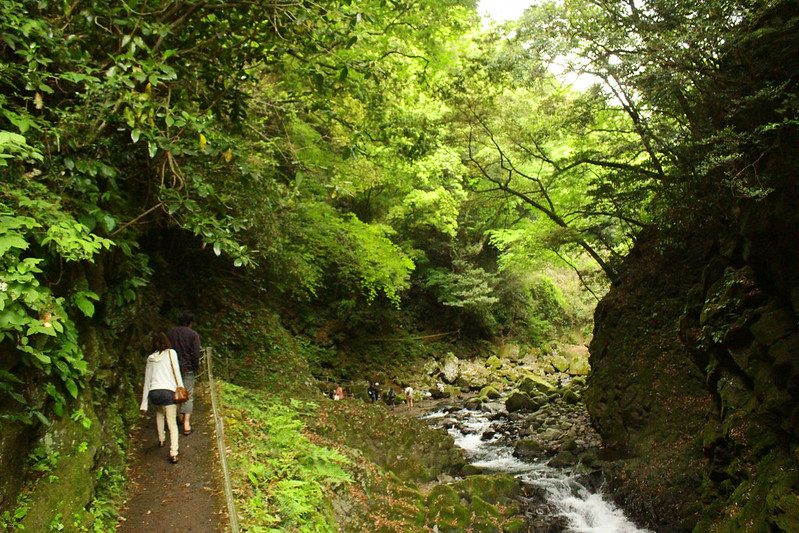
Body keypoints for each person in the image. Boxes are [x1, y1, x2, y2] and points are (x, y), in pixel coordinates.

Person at [140, 332, 184, 463]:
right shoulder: (171, 353)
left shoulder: (150, 358)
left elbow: (147, 381)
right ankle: (174, 452)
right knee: (172, 422)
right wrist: (181, 388)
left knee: (159, 413)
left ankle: (161, 439)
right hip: (168, 391)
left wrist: (144, 403)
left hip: (154, 392)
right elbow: (176, 371)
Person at [167, 311, 201, 435]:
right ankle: (187, 424)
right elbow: (196, 353)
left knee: (175, 392)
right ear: (190, 322)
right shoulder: (193, 335)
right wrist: (195, 366)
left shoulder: (170, 333)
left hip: (172, 368)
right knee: (188, 394)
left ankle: (178, 417)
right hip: (187, 367)